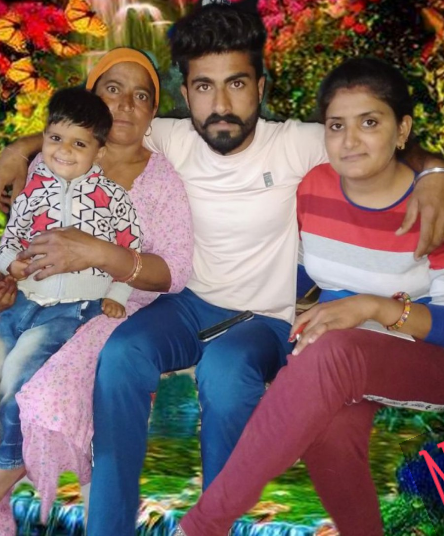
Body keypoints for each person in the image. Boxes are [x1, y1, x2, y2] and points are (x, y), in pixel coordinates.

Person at [1, 5, 444, 536]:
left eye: (236, 84)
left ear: (260, 87)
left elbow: (375, 141)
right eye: (204, 87)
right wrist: (20, 148)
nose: (221, 105)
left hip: (262, 317)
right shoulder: (169, 136)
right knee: (120, 355)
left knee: (228, 374)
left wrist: (435, 173)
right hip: (186, 304)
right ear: (186, 95)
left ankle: (214, 523)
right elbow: (85, 130)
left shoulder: (297, 143)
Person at [175, 57, 444, 536]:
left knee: (330, 352)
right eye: (337, 126)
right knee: (330, 434)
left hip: (425, 356)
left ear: (402, 130)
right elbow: (297, 270)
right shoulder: (314, 188)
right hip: (345, 361)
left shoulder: (434, 207)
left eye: (369, 123)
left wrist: (372, 307)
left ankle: (201, 526)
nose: (350, 140)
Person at [0, 48, 193, 534]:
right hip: (36, 298)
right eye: (113, 89)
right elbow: (21, 235)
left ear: (153, 112)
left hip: (116, 306)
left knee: (40, 387)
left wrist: (99, 254)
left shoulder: (162, 180)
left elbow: (173, 273)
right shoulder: (50, 162)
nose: (126, 104)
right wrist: (9, 275)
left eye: (141, 96)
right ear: (91, 97)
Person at [0, 85, 144, 526]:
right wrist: (11, 264)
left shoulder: (112, 199)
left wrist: (116, 296)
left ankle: (6, 466)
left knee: (16, 374)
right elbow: (10, 238)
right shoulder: (32, 191)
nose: (63, 151)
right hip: (24, 301)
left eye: (79, 144)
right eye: (56, 138)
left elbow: (130, 250)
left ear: (99, 151)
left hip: (70, 308)